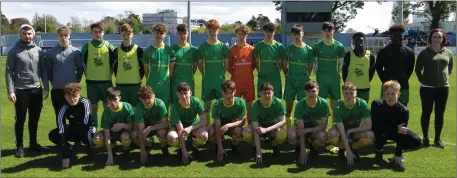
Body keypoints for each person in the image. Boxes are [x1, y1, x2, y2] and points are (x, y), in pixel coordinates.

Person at [6, 24, 50, 157]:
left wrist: (46, 87)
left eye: (29, 33)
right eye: (24, 33)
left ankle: (33, 143)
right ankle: (19, 146)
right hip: (21, 91)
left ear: (34, 34)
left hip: (36, 90)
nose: (27, 36)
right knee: (20, 119)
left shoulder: (39, 50)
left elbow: (43, 70)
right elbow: (9, 72)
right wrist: (11, 90)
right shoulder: (14, 51)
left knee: (34, 119)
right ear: (20, 34)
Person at [415, 28, 454, 148]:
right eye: (435, 36)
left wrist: (444, 79)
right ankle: (425, 137)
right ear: (430, 39)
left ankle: (437, 138)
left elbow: (450, 68)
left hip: (443, 88)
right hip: (427, 88)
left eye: (439, 37)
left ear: (443, 39)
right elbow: (417, 70)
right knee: (426, 113)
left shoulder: (448, 53)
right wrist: (424, 80)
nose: (437, 39)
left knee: (440, 113)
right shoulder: (424, 53)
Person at [372, 80, 421, 171]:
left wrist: (398, 153)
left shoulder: (404, 110)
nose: (390, 97)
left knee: (416, 141)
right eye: (387, 94)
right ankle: (379, 152)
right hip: (382, 131)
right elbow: (376, 126)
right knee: (380, 135)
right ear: (383, 94)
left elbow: (402, 131)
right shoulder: (376, 104)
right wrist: (395, 129)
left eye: (393, 94)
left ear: (398, 94)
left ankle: (396, 156)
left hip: (395, 132)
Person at [48, 83, 95, 169]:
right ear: (65, 96)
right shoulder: (63, 107)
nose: (72, 100)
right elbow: (61, 128)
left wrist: (79, 134)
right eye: (69, 97)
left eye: (75, 97)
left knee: (90, 133)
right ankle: (70, 149)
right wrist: (65, 155)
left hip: (87, 128)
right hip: (73, 128)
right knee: (53, 135)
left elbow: (87, 122)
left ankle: (90, 149)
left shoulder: (86, 102)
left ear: (79, 94)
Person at [327, 82, 374, 166]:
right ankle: (342, 149)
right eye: (346, 93)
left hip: (355, 130)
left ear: (356, 93)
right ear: (342, 93)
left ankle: (354, 148)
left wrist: (351, 130)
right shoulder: (338, 106)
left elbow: (368, 125)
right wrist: (348, 152)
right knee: (332, 134)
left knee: (369, 135)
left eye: (351, 93)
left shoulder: (362, 104)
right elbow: (341, 130)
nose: (349, 96)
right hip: (340, 130)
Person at [45, 26, 83, 126]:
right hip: (57, 89)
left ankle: (76, 140)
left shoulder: (76, 52)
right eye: (61, 35)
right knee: (59, 116)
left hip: (72, 90)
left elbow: (80, 68)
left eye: (66, 35)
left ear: (69, 36)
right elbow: (49, 71)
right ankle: (61, 140)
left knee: (74, 116)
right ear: (57, 36)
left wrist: (76, 82)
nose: (63, 37)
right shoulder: (50, 53)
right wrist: (54, 82)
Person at [81, 22, 116, 128]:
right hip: (92, 83)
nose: (98, 34)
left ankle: (108, 132)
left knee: (108, 108)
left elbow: (115, 63)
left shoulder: (110, 47)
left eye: (100, 32)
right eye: (95, 32)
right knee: (93, 108)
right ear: (91, 33)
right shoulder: (86, 47)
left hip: (106, 82)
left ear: (103, 33)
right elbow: (82, 63)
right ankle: (93, 132)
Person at [242, 82, 287, 164]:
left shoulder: (278, 102)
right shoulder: (256, 105)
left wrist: (266, 129)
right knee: (246, 132)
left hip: (273, 127)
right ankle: (255, 145)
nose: (267, 95)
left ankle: (274, 144)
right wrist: (259, 152)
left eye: (269, 93)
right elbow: (256, 128)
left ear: (273, 92)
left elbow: (283, 121)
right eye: (264, 93)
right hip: (260, 127)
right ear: (259, 93)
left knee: (282, 133)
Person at [288, 81, 329, 165]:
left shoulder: (324, 104)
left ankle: (312, 145)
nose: (311, 94)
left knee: (323, 137)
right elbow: (301, 129)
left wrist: (308, 130)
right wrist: (303, 152)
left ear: (318, 91)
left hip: (314, 127)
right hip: (300, 127)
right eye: (308, 91)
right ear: (305, 92)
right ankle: (299, 145)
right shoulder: (300, 105)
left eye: (313, 91)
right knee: (291, 136)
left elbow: (323, 126)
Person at [197, 19, 229, 126]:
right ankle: (206, 129)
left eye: (215, 29)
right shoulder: (202, 47)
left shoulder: (223, 47)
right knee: (207, 108)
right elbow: (200, 65)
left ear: (218, 30)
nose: (212, 31)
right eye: (210, 29)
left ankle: (220, 130)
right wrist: (205, 75)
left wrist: (220, 75)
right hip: (207, 82)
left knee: (221, 107)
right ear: (207, 30)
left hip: (220, 82)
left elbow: (226, 65)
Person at [167, 82, 208, 164]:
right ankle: (181, 148)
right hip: (178, 126)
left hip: (192, 125)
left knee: (204, 136)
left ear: (190, 93)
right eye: (181, 94)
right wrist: (184, 151)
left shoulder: (196, 101)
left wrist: (190, 128)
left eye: (186, 93)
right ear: (177, 94)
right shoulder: (174, 106)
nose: (184, 96)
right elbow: (180, 130)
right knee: (171, 137)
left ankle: (194, 146)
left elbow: (204, 120)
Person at [92, 87, 134, 166]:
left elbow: (132, 127)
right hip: (112, 133)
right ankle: (112, 148)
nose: (112, 102)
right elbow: (107, 135)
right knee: (97, 139)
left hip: (125, 132)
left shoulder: (127, 107)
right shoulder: (106, 112)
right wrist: (110, 156)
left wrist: (122, 125)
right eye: (110, 100)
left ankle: (126, 149)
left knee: (125, 137)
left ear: (120, 98)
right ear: (107, 100)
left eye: (115, 99)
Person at [283, 24, 314, 129]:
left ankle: (302, 129)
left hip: (303, 82)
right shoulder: (288, 49)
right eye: (295, 34)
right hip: (291, 81)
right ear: (293, 35)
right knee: (288, 109)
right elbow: (284, 65)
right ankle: (288, 129)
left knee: (303, 108)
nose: (297, 36)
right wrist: (288, 75)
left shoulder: (309, 49)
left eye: (299, 33)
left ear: (303, 33)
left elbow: (310, 66)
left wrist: (305, 77)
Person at [376, 24, 415, 106]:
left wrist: (405, 78)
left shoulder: (409, 52)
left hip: (403, 87)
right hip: (387, 87)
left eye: (400, 35)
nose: (398, 37)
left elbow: (410, 68)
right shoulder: (383, 51)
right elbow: (378, 67)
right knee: (386, 110)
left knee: (402, 110)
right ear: (390, 36)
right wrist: (384, 80)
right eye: (395, 35)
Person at [207, 80, 247, 162]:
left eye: (231, 92)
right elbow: (218, 127)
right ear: (222, 93)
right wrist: (220, 148)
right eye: (226, 93)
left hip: (232, 127)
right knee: (210, 132)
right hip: (221, 128)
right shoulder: (217, 105)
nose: (228, 95)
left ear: (235, 91)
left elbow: (242, 121)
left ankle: (234, 143)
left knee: (239, 131)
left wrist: (228, 125)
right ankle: (217, 144)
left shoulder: (240, 102)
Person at [312, 22, 345, 115]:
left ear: (333, 31)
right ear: (322, 32)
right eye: (325, 31)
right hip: (321, 77)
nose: (327, 33)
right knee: (320, 101)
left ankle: (335, 122)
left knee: (335, 101)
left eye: (329, 30)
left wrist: (337, 72)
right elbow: (314, 62)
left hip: (334, 77)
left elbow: (341, 62)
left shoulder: (339, 46)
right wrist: (317, 73)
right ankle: (319, 123)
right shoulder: (317, 46)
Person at [133, 86, 169, 165]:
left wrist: (151, 128)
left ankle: (164, 146)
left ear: (154, 95)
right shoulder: (140, 107)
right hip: (146, 127)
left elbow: (165, 123)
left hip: (158, 126)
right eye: (144, 98)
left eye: (149, 97)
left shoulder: (160, 103)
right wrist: (142, 150)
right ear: (140, 98)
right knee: (134, 134)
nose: (147, 100)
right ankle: (148, 144)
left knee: (162, 132)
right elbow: (141, 130)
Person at [143, 23, 176, 109]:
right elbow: (146, 71)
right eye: (157, 33)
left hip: (165, 86)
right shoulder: (148, 51)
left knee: (165, 109)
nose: (159, 35)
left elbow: (171, 69)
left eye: (161, 33)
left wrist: (167, 79)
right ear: (153, 34)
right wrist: (151, 80)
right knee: (151, 108)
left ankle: (165, 123)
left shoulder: (170, 51)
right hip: (151, 85)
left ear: (165, 35)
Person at [113, 23, 144, 111]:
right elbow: (114, 68)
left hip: (135, 85)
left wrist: (138, 78)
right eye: (124, 34)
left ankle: (134, 125)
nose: (126, 36)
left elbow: (142, 68)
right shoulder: (116, 51)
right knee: (122, 109)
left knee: (134, 109)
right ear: (121, 35)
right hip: (121, 85)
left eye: (128, 34)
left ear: (132, 34)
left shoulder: (138, 50)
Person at [228, 25, 255, 124]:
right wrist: (237, 74)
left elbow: (254, 65)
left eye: (243, 34)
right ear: (236, 35)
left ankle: (250, 127)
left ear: (246, 35)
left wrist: (246, 72)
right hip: (236, 83)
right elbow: (229, 67)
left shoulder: (252, 50)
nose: (241, 36)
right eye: (239, 34)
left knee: (250, 107)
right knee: (236, 106)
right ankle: (237, 128)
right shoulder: (232, 50)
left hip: (249, 82)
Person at [253, 22, 285, 100]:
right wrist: (260, 71)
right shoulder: (259, 46)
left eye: (271, 31)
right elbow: (256, 62)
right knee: (262, 98)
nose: (269, 33)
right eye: (266, 31)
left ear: (274, 32)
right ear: (263, 32)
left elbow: (281, 63)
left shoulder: (279, 46)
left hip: (275, 76)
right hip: (263, 75)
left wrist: (277, 71)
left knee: (276, 98)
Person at [342, 32, 376, 102]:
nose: (358, 43)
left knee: (363, 110)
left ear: (364, 42)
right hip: (350, 89)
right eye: (356, 41)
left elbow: (372, 72)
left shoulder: (371, 56)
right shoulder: (348, 55)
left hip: (364, 88)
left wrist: (366, 81)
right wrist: (347, 84)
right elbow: (344, 71)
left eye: (361, 40)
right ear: (353, 42)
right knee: (350, 108)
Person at [171, 24, 199, 104]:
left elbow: (195, 67)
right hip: (176, 82)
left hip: (189, 81)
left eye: (184, 33)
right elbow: (170, 67)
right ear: (177, 34)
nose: (182, 35)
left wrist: (188, 75)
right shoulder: (172, 49)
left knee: (189, 103)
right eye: (180, 33)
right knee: (175, 104)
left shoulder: (193, 50)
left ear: (188, 33)